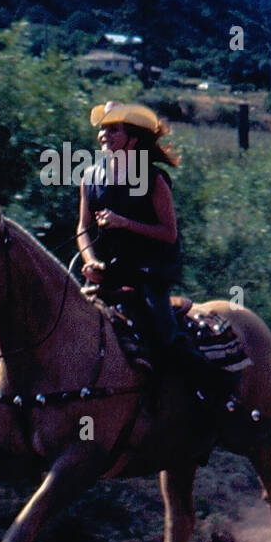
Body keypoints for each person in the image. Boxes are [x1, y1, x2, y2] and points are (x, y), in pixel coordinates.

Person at [77, 102, 191, 376]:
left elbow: (168, 233)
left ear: (133, 138)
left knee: (164, 333)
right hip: (108, 272)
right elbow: (82, 227)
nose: (104, 135)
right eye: (103, 129)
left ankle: (200, 389)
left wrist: (124, 223)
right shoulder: (90, 178)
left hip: (148, 273)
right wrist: (90, 261)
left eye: (113, 129)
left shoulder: (154, 179)